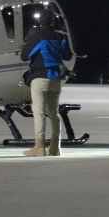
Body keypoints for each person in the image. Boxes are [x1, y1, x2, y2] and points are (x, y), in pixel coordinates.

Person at [20, 9, 72, 157]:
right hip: (56, 78)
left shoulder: (36, 37)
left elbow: (25, 56)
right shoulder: (61, 36)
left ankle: (39, 146)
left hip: (40, 77)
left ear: (39, 21)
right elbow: (67, 56)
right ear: (53, 21)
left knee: (39, 112)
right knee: (54, 113)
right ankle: (55, 146)